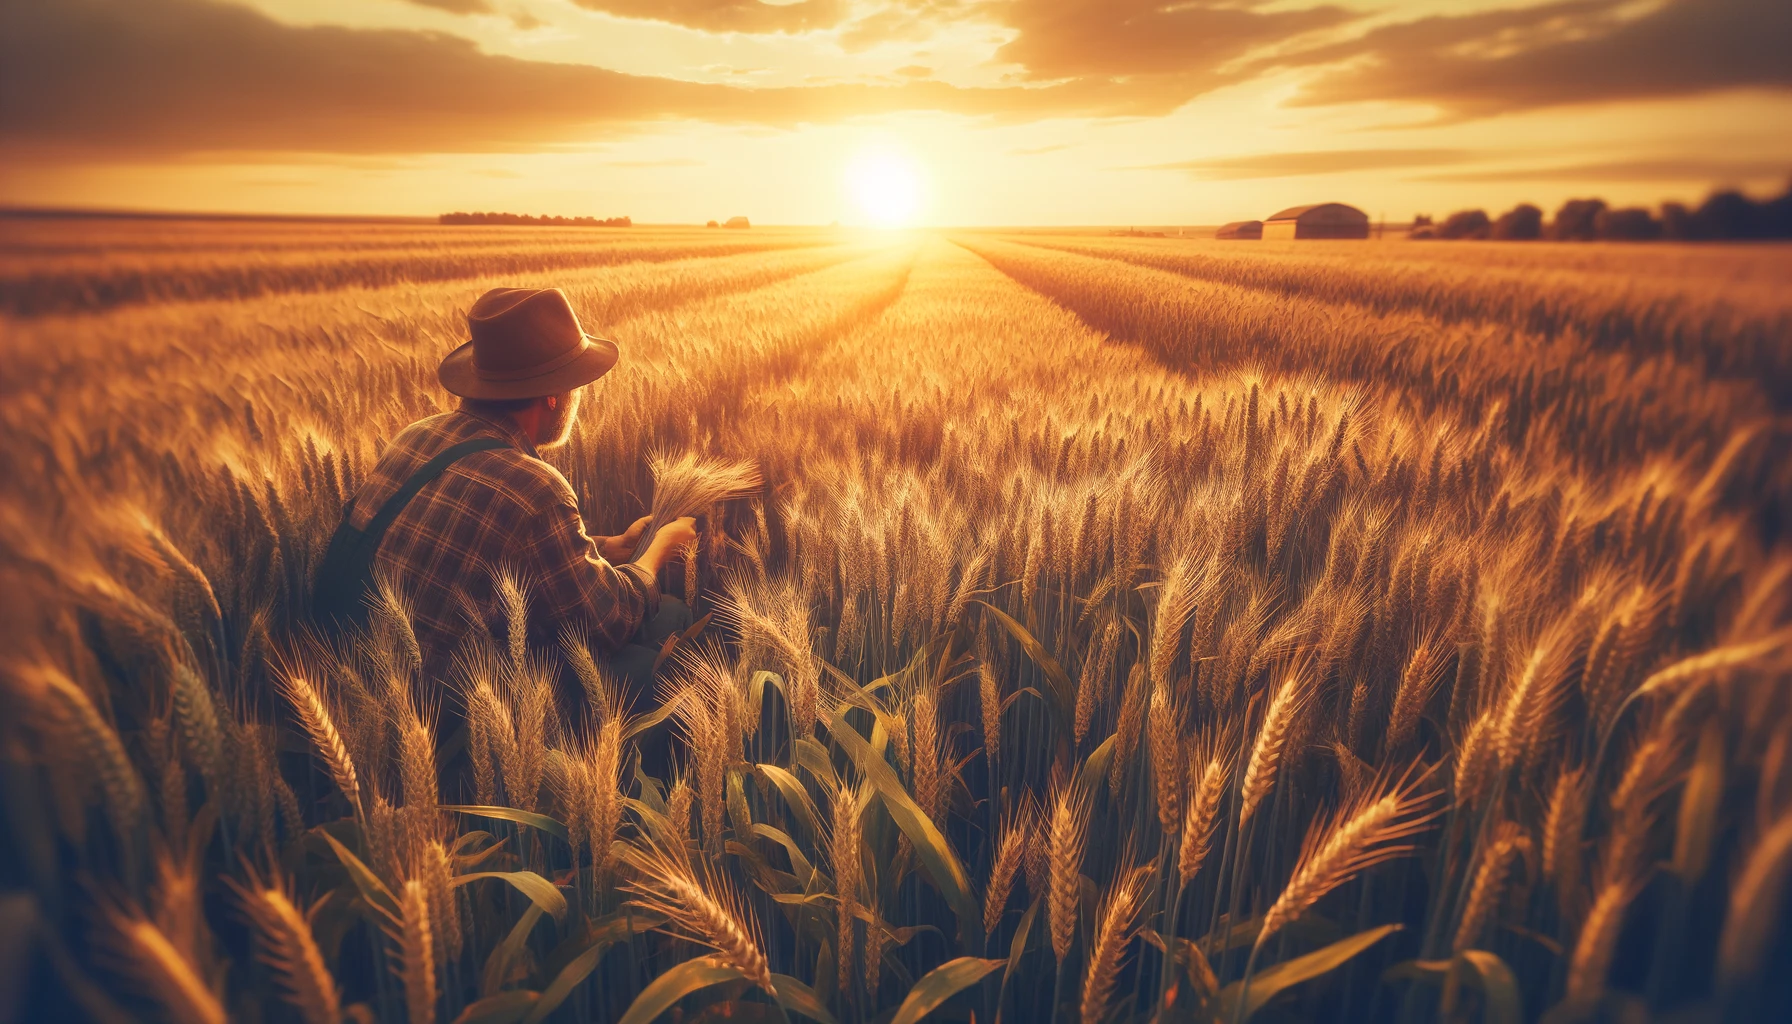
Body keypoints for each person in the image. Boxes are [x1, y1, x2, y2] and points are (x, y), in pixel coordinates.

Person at [313, 286, 696, 708]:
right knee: (668, 624)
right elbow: (609, 622)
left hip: (341, 676)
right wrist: (658, 549)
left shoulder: (415, 434)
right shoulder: (534, 486)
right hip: (441, 720)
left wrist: (611, 546)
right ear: (554, 395)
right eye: (578, 384)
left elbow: (476, 547)